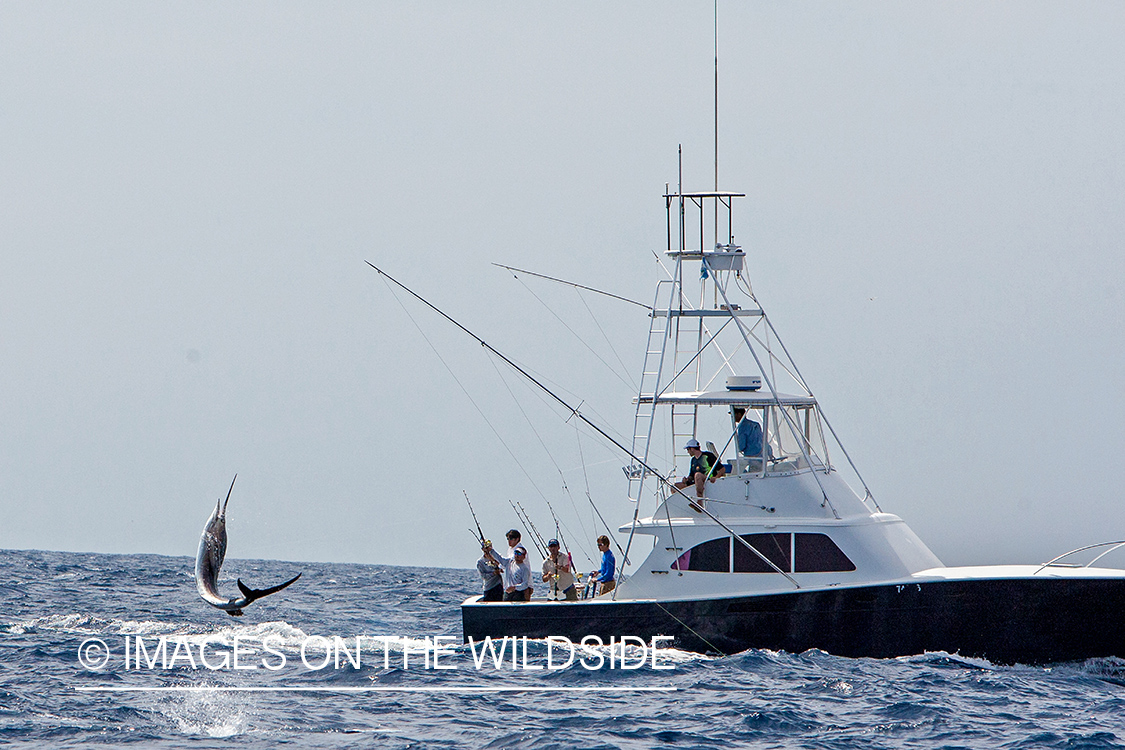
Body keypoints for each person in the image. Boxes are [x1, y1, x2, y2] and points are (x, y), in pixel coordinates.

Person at [673, 438, 725, 508]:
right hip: (696, 482)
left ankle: (699, 501)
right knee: (675, 487)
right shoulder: (693, 460)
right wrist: (687, 479)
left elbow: (722, 469)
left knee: (698, 475)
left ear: (692, 449)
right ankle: (682, 505)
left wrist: (716, 477)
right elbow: (691, 475)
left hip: (707, 480)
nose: (688, 452)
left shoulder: (708, 456)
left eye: (688, 449)